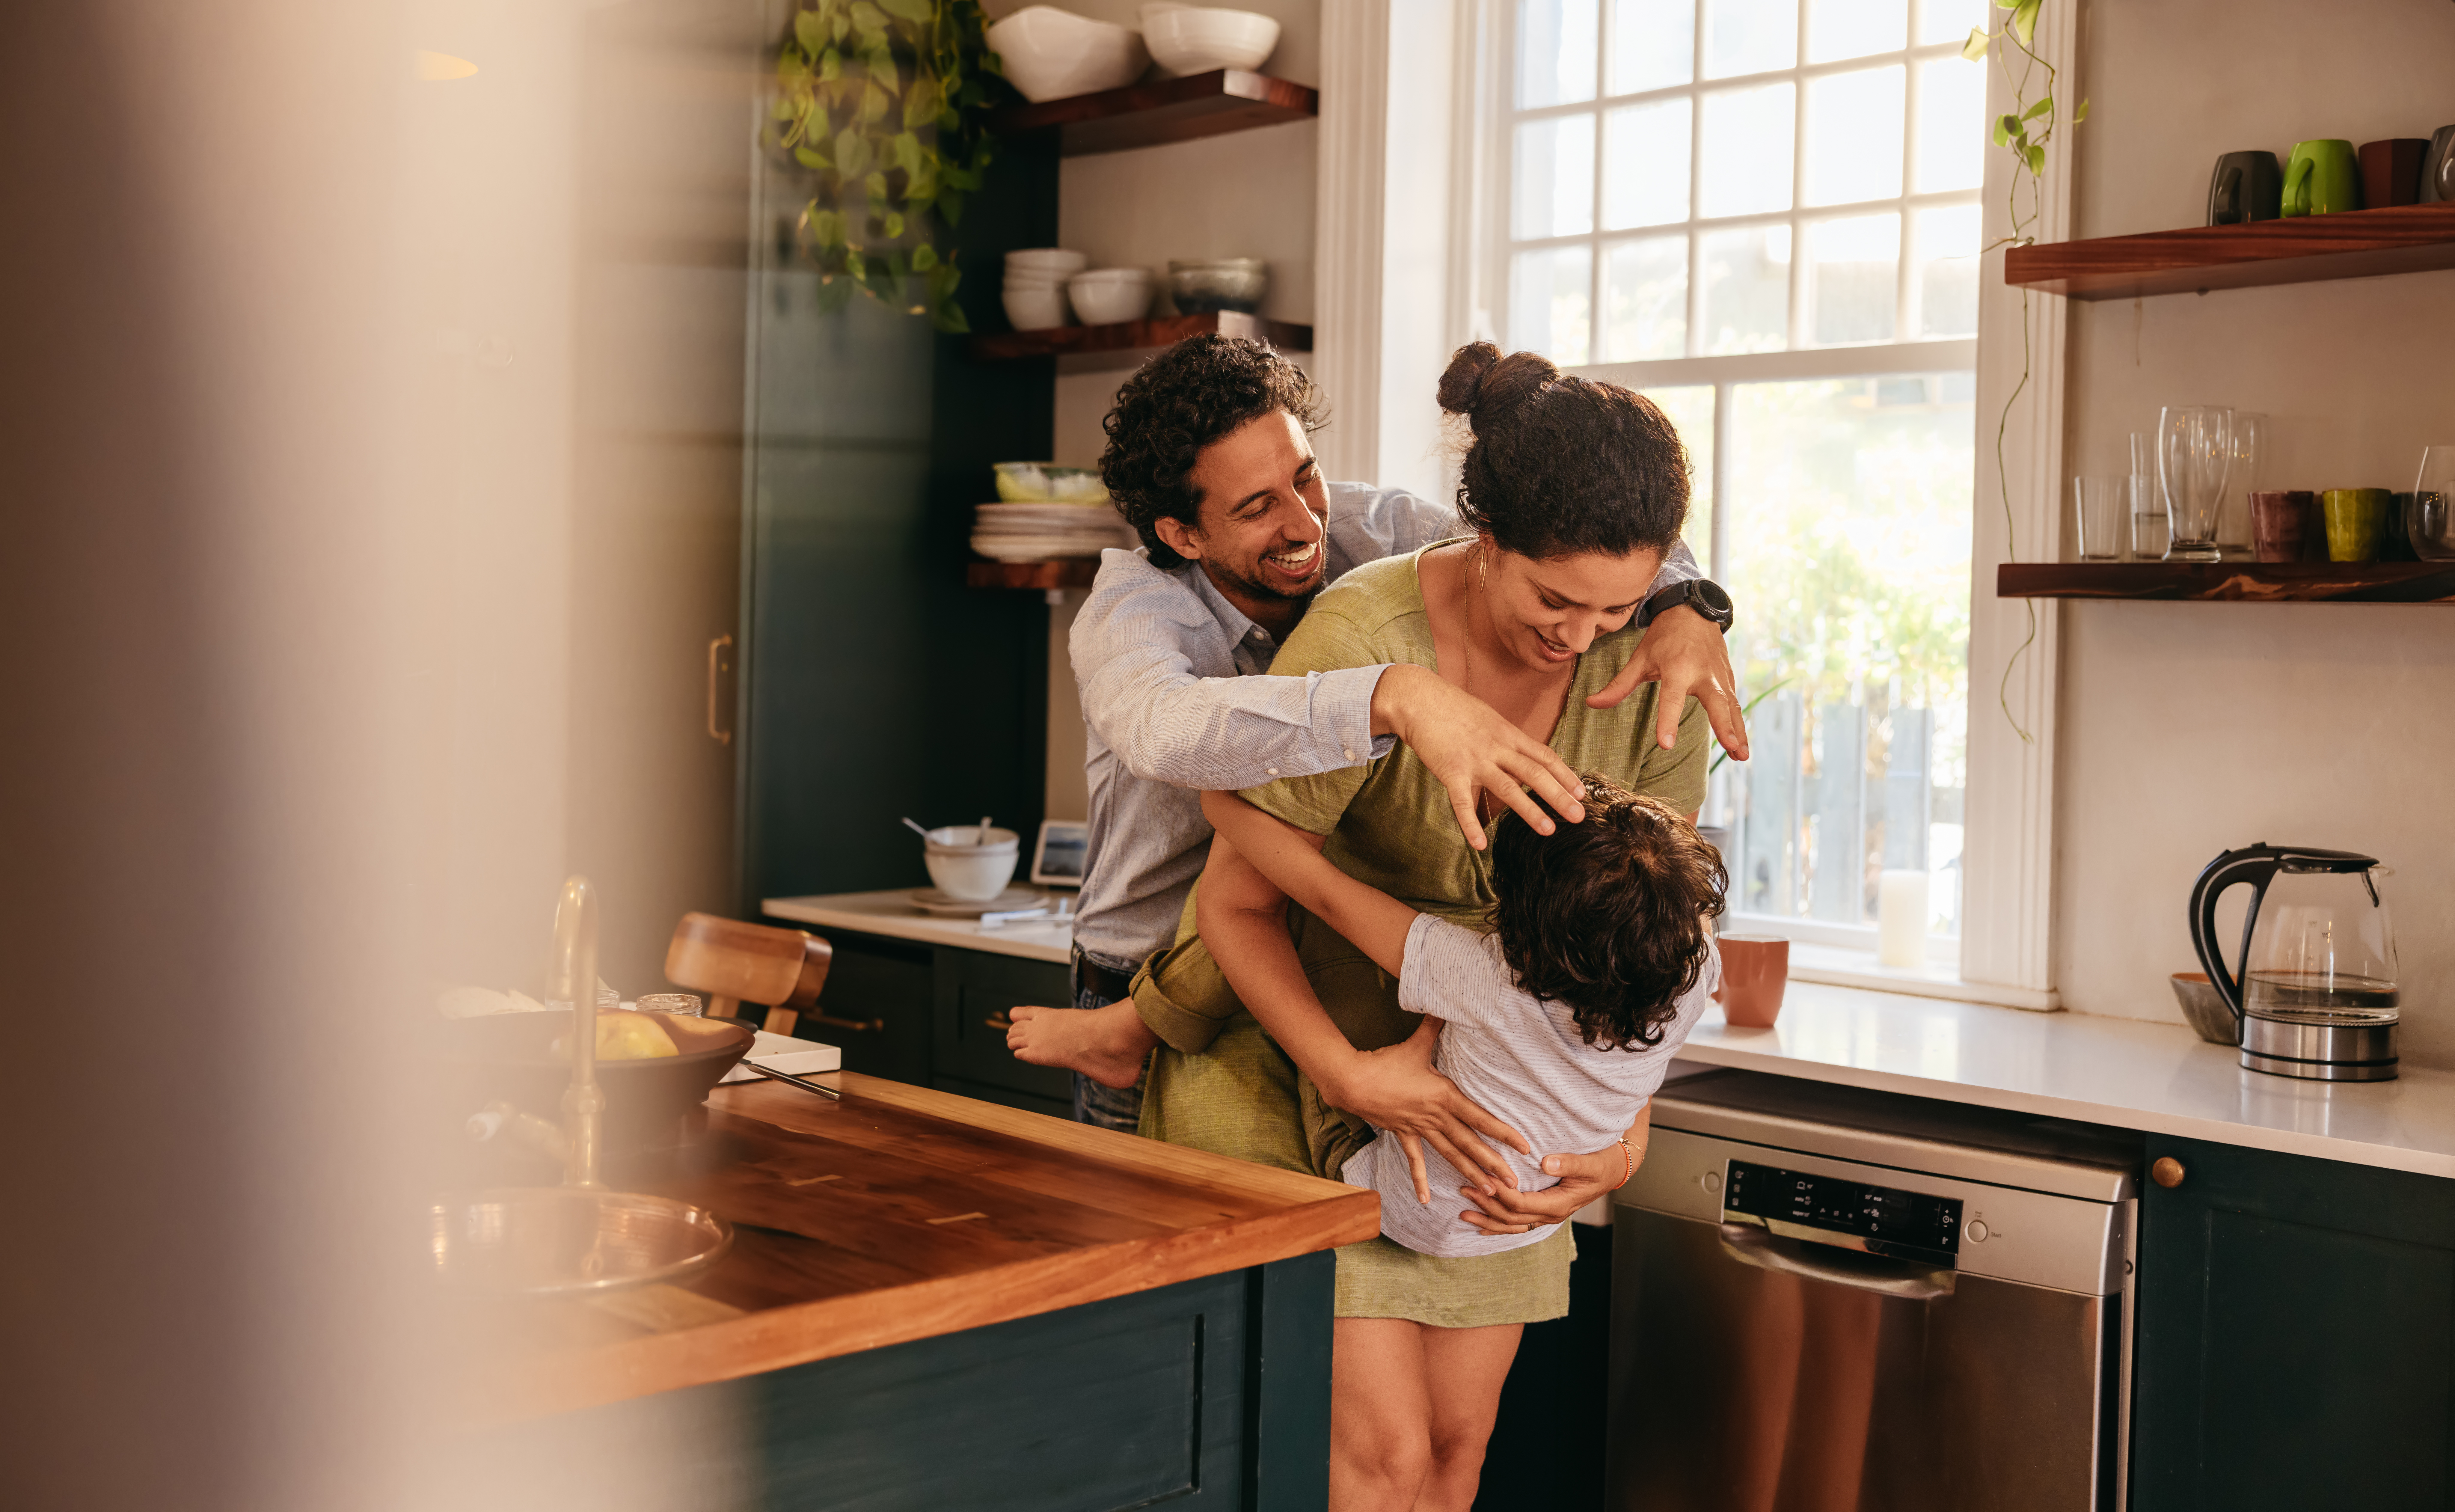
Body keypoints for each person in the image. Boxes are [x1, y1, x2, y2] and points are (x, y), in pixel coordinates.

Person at [1038, 341, 1717, 1511]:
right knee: (1361, 1461)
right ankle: (1124, 1034)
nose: (1580, 632)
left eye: (1615, 605)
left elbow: (1651, 951)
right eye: (1555, 601)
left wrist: (1619, 1132)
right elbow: (1210, 832)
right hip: (1251, 1023)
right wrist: (1348, 1072)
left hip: (1485, 1103)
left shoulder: (1645, 653)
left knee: (1451, 1460)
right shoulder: (1197, 614)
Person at [1017, 336, 1746, 1150]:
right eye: (1257, 507)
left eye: (1304, 474)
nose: (1303, 522)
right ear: (1183, 535)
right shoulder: (1134, 613)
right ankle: (1131, 1029)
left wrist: (1687, 604)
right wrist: (1392, 696)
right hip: (1149, 948)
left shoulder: (1372, 527)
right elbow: (1162, 732)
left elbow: (1578, 523)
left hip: (1302, 927)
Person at [1193, 774, 1721, 1508]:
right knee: (1444, 1461)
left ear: (1524, 933)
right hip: (1518, 1216)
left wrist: (1221, 803)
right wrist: (1622, 1152)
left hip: (1401, 1196)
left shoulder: (1482, 973)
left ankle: (1142, 1019)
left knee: (1351, 1043)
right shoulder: (1692, 974)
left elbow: (1321, 893)